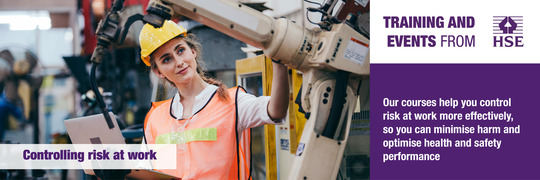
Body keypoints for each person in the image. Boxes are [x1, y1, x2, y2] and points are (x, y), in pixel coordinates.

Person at [139, 20, 289, 179]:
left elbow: (275, 111)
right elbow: (145, 171)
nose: (179, 62)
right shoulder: (156, 119)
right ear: (159, 72)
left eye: (181, 50)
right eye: (166, 59)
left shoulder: (232, 102)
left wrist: (279, 61)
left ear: (193, 51)